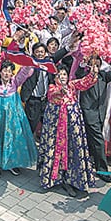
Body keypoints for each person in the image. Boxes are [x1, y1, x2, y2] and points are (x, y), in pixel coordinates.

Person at [36, 63, 99, 197]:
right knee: (55, 149)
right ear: (55, 77)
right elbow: (52, 94)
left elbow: (84, 82)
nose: (62, 77)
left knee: (73, 150)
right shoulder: (52, 88)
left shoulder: (72, 85)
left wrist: (93, 73)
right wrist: (61, 91)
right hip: (56, 129)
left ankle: (73, 180)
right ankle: (54, 178)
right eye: (59, 75)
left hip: (72, 127)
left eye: (64, 74)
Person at [73, 53, 111, 183]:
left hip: (100, 113)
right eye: (93, 63)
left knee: (91, 140)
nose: (96, 65)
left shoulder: (103, 75)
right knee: (99, 141)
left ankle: (89, 162)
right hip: (89, 113)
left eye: (98, 63)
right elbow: (78, 73)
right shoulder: (84, 76)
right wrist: (85, 65)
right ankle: (102, 171)